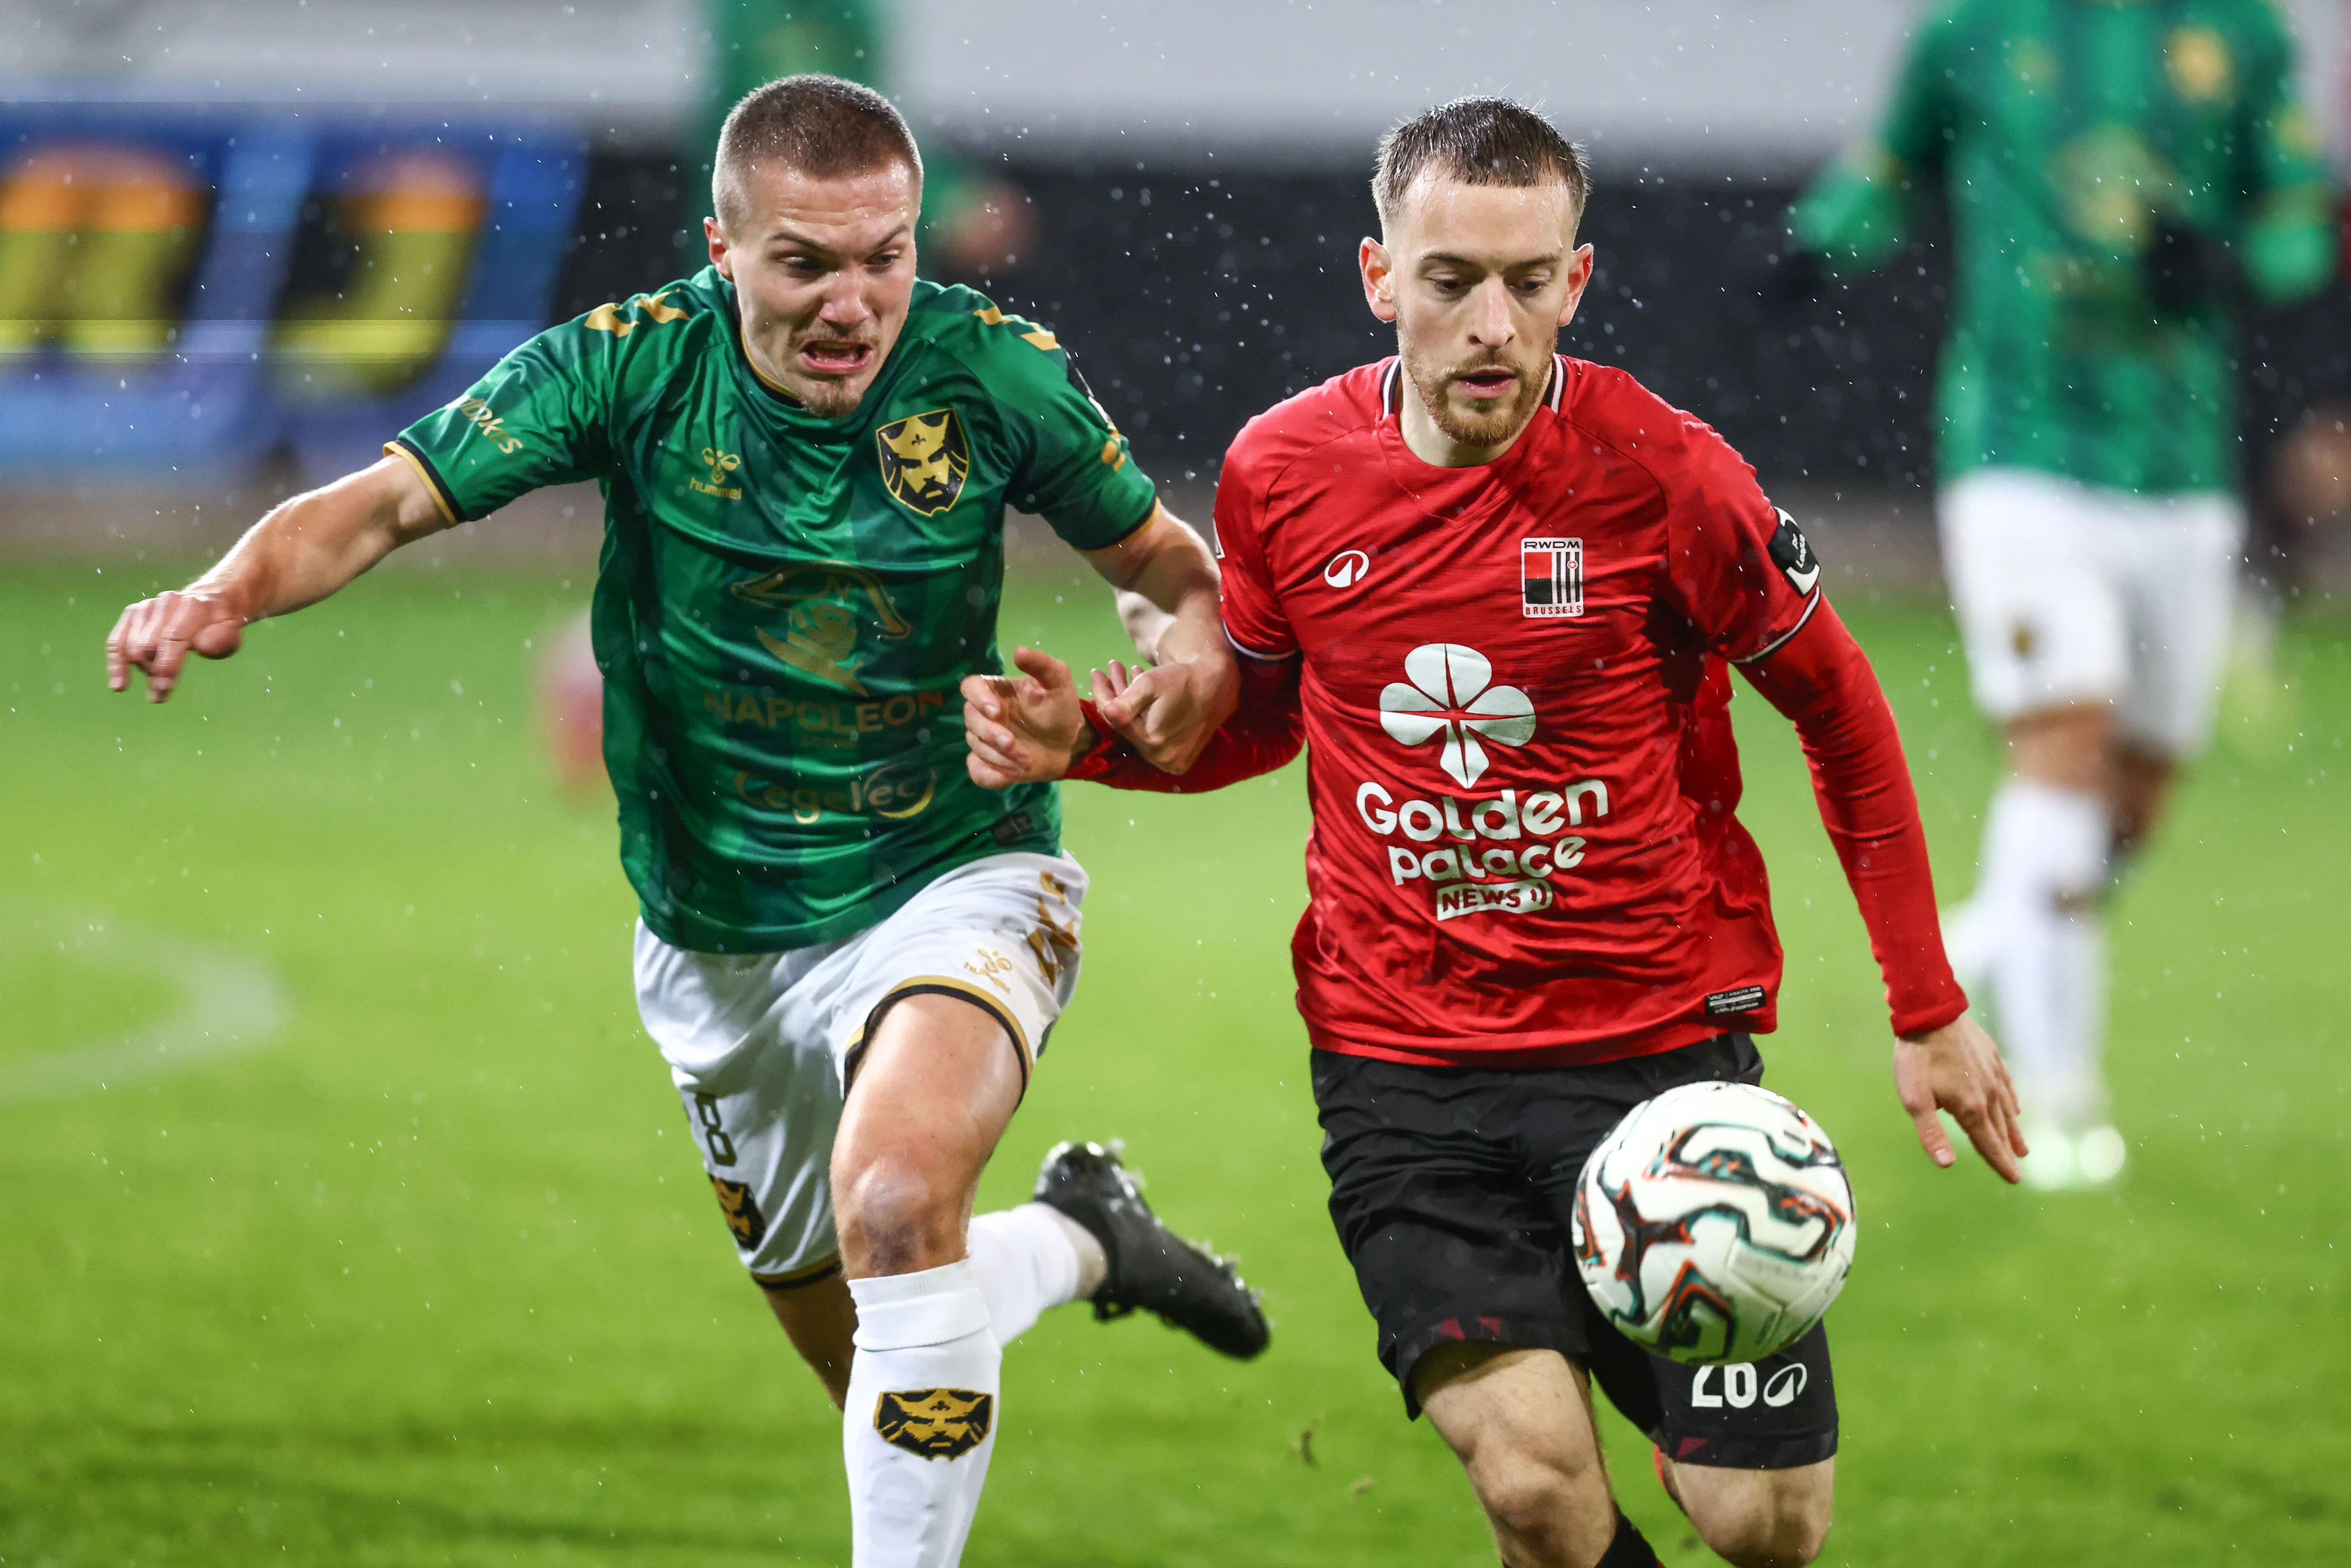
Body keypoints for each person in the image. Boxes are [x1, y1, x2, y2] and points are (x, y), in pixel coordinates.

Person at [105, 73, 1264, 1568]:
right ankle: (1084, 1235)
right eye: (807, 264)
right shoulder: (630, 367)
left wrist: (1187, 665)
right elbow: (384, 503)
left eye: (887, 256)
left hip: (955, 872)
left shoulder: (994, 375)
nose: (854, 303)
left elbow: (1172, 569)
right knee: (882, 1348)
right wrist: (222, 590)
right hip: (716, 937)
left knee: (902, 1200)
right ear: (722, 248)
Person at [961, 97, 2027, 1568]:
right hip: (1408, 1076)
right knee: (1536, 1485)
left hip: (1661, 1068)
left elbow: (1840, 712)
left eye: (1530, 283)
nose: (1491, 323)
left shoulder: (1667, 476)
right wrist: (1086, 740)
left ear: (1574, 285)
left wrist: (1928, 1005)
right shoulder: (1283, 472)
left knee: (1765, 1521)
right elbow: (1267, 719)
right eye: (1451, 278)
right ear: (1378, 275)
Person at [1776, 0, 2338, 1187]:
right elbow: (1886, 170)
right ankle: (2061, 1095)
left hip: (2178, 469)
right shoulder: (1972, 30)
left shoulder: (2239, 34)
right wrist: (1816, 244)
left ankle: (1991, 939)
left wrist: (2236, 262)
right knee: (2063, 746)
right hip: (2016, 446)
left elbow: (2299, 218)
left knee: (2133, 796)